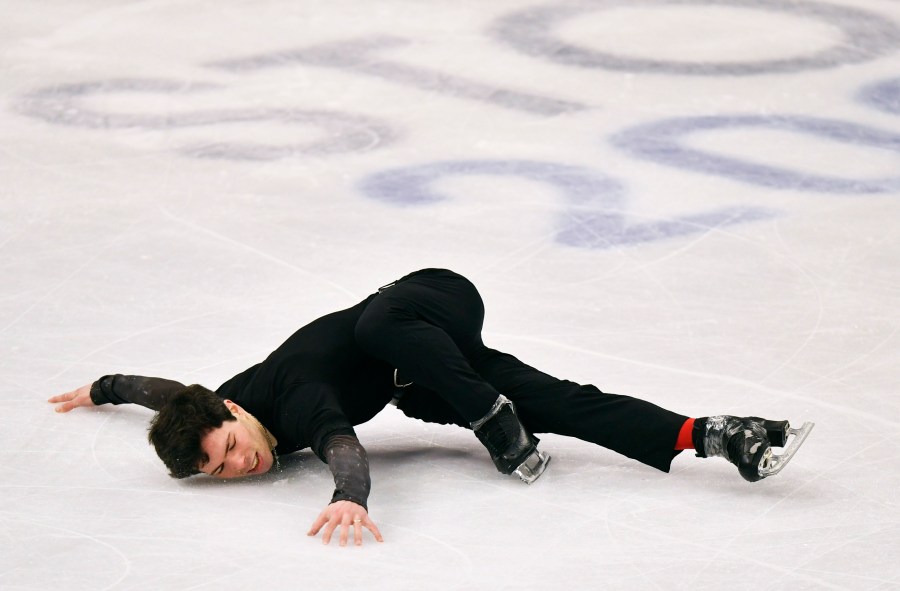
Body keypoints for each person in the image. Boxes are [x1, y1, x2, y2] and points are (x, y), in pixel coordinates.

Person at [48, 268, 813, 547]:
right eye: (222, 472)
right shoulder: (207, 404)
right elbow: (160, 391)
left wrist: (349, 494)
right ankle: (723, 435)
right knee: (561, 402)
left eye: (227, 447)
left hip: (430, 301)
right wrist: (104, 388)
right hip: (427, 374)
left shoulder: (299, 400)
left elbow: (344, 444)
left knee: (375, 323)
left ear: (226, 408)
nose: (240, 463)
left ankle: (490, 418)